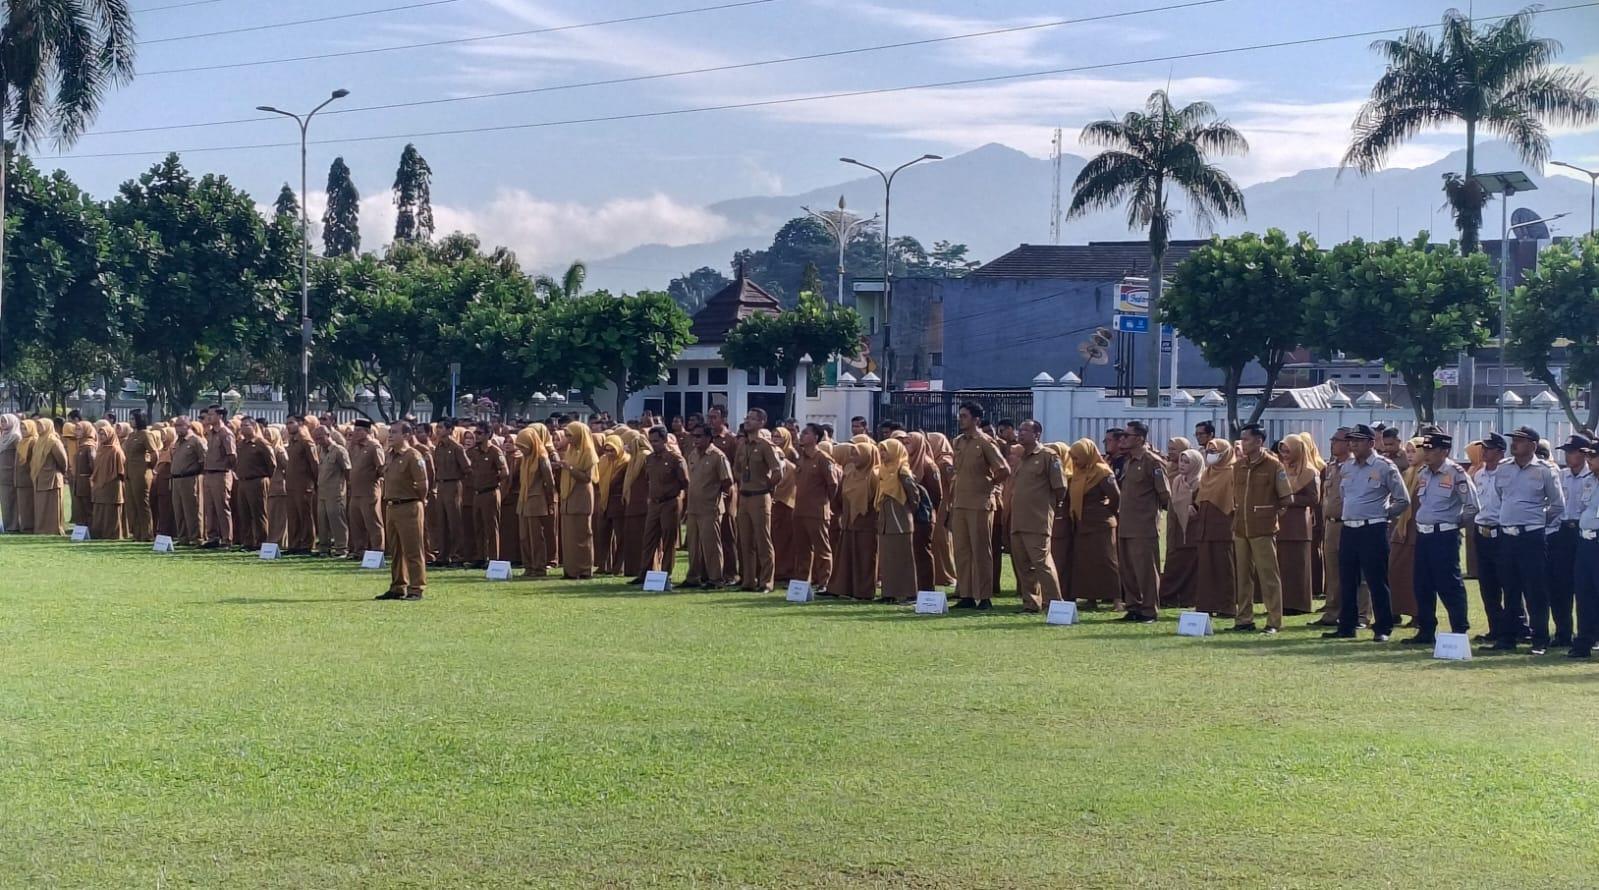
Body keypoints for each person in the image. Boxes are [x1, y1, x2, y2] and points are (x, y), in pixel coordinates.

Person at [1324, 424, 1410, 643]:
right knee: (1347, 579)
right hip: (1350, 528)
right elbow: (1345, 495)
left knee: (1375, 580)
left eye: (1358, 441)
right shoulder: (1347, 467)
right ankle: (1347, 625)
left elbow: (1403, 499)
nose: (1353, 444)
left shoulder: (1384, 466)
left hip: (1373, 528)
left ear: (1371, 443)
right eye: (1351, 440)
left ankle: (1383, 627)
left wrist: (1383, 514)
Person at [1487, 426, 1564, 654]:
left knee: (1535, 590)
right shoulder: (1503, 469)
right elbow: (1501, 497)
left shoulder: (1544, 471)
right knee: (1509, 588)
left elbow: (1557, 505)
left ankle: (1540, 639)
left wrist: (1537, 521)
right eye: (1514, 440)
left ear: (1532, 445)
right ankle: (1508, 637)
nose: (1514, 444)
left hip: (1532, 536)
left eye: (1520, 440)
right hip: (1507, 535)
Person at [1404, 431, 1478, 645]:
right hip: (1424, 534)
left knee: (1449, 584)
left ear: (1444, 451)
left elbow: (1472, 506)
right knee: (1422, 584)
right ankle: (1426, 630)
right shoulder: (1424, 473)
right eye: (1425, 449)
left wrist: (1453, 525)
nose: (1427, 454)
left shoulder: (1455, 473)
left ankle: (1459, 629)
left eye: (1432, 449)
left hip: (1444, 535)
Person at [1230, 424, 1293, 633]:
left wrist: (1269, 513)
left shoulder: (1274, 466)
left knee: (1268, 576)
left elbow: (1286, 498)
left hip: (1263, 529)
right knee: (1242, 576)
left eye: (1247, 439)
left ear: (1259, 441)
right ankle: (1244, 619)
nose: (1242, 443)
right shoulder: (1238, 466)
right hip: (1240, 528)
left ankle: (1274, 621)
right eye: (1241, 439)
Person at [948, 402, 1010, 610]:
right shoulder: (958, 442)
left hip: (980, 504)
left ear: (976, 420)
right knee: (962, 550)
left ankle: (984, 596)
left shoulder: (985, 442)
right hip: (960, 503)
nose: (960, 419)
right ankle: (965, 594)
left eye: (964, 416)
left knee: (981, 551)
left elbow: (1003, 469)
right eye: (960, 415)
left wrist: (989, 485)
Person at [1008, 420, 1067, 613]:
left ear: (1037, 434)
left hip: (1038, 519)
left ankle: (1054, 603)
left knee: (1042, 563)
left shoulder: (1048, 456)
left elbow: (1060, 488)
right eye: (1020, 429)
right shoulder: (1021, 458)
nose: (1021, 433)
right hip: (1018, 520)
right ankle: (1031, 603)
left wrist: (1051, 508)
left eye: (1026, 430)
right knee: (1023, 565)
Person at [1116, 420, 1169, 622]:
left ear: (1139, 438)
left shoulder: (1152, 462)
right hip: (1127, 523)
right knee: (1128, 569)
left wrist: (1156, 518)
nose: (1124, 439)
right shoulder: (1129, 461)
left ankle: (1149, 609)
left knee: (1146, 569)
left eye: (1127, 435)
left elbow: (1164, 493)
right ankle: (1134, 606)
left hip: (1144, 525)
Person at [375, 422, 429, 601]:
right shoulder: (389, 455)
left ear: (406, 435)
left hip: (409, 506)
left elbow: (423, 484)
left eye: (395, 432)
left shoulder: (413, 455)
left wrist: (419, 501)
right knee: (396, 550)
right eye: (390, 432)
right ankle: (398, 586)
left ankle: (417, 588)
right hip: (392, 506)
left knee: (413, 549)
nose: (390, 435)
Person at [1064, 438, 1119, 610]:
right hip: (1081, 524)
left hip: (1101, 524)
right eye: (1072, 458)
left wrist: (1105, 511)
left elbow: (1116, 496)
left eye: (1077, 457)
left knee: (1107, 561)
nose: (1074, 461)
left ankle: (1117, 599)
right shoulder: (1078, 473)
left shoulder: (1102, 472)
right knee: (1086, 563)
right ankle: (1091, 597)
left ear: (1087, 454)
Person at [734, 408, 784, 592]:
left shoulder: (765, 445)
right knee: (745, 541)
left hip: (760, 496)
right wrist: (742, 478)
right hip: (744, 497)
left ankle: (766, 582)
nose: (747, 421)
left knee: (763, 540)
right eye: (747, 417)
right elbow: (736, 469)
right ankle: (748, 580)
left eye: (752, 419)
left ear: (762, 422)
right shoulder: (743, 445)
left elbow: (778, 471)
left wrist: (767, 486)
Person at [1550, 434, 1591, 648]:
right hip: (1562, 532)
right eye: (1566, 451)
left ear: (1584, 454)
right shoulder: (1561, 475)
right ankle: (1563, 632)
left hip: (1583, 533)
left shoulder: (1592, 476)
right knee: (1559, 585)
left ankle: (1590, 633)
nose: (1567, 455)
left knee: (1586, 586)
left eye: (1572, 451)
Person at [634, 425, 687, 582]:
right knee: (649, 538)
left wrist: (679, 499)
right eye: (651, 441)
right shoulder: (649, 459)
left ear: (665, 440)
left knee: (668, 540)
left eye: (656, 441)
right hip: (654, 504)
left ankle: (666, 574)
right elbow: (648, 480)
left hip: (670, 502)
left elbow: (685, 482)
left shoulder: (675, 459)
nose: (653, 444)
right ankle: (643, 573)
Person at [1276, 435, 1321, 615]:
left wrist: (1290, 499)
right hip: (1281, 522)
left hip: (1298, 525)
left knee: (1297, 565)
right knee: (1283, 564)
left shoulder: (1310, 472)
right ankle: (1283, 603)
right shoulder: (1282, 470)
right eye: (1283, 451)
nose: (1285, 455)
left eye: (1288, 451)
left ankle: (1298, 604)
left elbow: (1314, 498)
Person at [791, 423, 838, 593]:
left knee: (822, 549)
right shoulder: (801, 458)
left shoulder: (823, 459)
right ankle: (802, 583)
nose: (802, 436)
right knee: (802, 550)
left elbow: (833, 485)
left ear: (816, 438)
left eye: (806, 433)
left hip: (817, 511)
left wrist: (829, 505)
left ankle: (825, 582)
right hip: (800, 511)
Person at [1193, 438, 1237, 618]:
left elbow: (1233, 500)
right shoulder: (1207, 473)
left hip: (1223, 525)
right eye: (1208, 452)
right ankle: (1206, 605)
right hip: (1205, 524)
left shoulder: (1232, 472)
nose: (1210, 455)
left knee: (1224, 567)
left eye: (1214, 452)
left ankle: (1226, 606)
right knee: (1205, 567)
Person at [683, 424, 732, 588]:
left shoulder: (718, 456)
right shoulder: (693, 455)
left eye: (699, 436)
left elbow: (727, 480)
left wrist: (716, 495)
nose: (695, 440)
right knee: (693, 545)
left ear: (708, 438)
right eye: (693, 436)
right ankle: (693, 577)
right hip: (694, 507)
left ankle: (716, 578)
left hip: (710, 508)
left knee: (711, 545)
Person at [875, 437, 920, 604]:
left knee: (904, 557)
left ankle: (910, 593)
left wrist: (908, 510)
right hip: (886, 519)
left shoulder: (903, 470)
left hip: (900, 518)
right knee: (887, 558)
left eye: (886, 450)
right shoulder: (883, 470)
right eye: (881, 450)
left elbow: (913, 494)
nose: (882, 454)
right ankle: (889, 593)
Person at [832, 439, 879, 601]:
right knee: (847, 556)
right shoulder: (849, 473)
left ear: (867, 456)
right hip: (848, 522)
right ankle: (845, 588)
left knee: (865, 559)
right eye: (852, 455)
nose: (853, 458)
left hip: (867, 523)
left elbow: (877, 501)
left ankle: (864, 592)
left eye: (857, 455)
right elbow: (840, 496)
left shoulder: (874, 475)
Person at [1161, 444, 1204, 608]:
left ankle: (1188, 598)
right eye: (1181, 461)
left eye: (1186, 462)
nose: (1182, 465)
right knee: (1174, 564)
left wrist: (1195, 510)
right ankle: (1169, 597)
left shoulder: (1200, 482)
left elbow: (1200, 506)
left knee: (1190, 566)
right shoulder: (1177, 481)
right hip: (1177, 528)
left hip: (1192, 531)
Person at [555, 420, 598, 579]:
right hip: (568, 497)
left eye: (570, 435)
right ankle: (570, 570)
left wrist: (570, 469)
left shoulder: (589, 453)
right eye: (566, 435)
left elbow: (587, 478)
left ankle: (584, 570)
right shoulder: (570, 451)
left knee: (582, 535)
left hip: (581, 497)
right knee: (568, 537)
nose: (568, 438)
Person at [516, 423, 558, 578]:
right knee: (524, 536)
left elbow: (549, 482)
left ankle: (539, 567)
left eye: (523, 446)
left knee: (535, 536)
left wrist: (549, 501)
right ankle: (528, 566)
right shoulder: (525, 459)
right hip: (524, 499)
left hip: (537, 500)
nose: (521, 449)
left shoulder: (541, 457)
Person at [903, 431, 943, 592]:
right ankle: (911, 589)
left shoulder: (928, 465)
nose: (906, 446)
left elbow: (937, 494)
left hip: (923, 516)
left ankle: (926, 589)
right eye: (904, 442)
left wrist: (929, 509)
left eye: (909, 442)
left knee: (923, 553)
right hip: (908, 516)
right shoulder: (905, 463)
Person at [1570, 443, 1599, 658]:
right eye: (1588, 456)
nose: (1589, 460)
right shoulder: (1588, 481)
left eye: (1594, 456)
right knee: (1584, 592)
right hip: (1585, 542)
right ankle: (1584, 642)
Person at [467, 421, 508, 568]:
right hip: (477, 493)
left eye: (479, 433)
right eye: (475, 433)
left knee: (491, 527)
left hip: (490, 492)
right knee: (478, 526)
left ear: (488, 435)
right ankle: (480, 557)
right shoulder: (473, 452)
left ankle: (493, 558)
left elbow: (505, 472)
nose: (476, 436)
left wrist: (492, 480)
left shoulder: (494, 451)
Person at [431, 418, 469, 566]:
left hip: (453, 485)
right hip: (441, 485)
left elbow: (467, 468)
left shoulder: (457, 448)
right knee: (441, 522)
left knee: (454, 522)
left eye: (441, 428)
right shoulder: (438, 447)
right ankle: (442, 556)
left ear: (450, 430)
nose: (438, 430)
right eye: (437, 427)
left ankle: (457, 556)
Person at [234, 417, 275, 551]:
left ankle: (261, 542)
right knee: (244, 513)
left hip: (257, 480)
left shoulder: (261, 443)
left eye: (246, 425)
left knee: (259, 513)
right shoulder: (240, 444)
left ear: (254, 427)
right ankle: (248, 542)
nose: (243, 428)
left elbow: (272, 464)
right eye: (242, 426)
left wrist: (265, 478)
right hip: (243, 481)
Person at [347, 420, 386, 557]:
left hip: (369, 491)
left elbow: (382, 469)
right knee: (356, 523)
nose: (355, 433)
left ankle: (377, 551)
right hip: (355, 492)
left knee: (373, 522)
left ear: (367, 432)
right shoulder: (354, 447)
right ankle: (359, 551)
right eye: (354, 430)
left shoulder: (374, 446)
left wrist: (372, 477)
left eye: (359, 430)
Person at [200, 407, 236, 549]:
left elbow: (232, 455)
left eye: (211, 414)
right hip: (209, 473)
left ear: (220, 416)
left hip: (221, 473)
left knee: (222, 507)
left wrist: (228, 469)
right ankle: (212, 537)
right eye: (207, 414)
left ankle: (227, 539)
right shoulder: (210, 433)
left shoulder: (225, 433)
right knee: (210, 508)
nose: (208, 417)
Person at [283, 416, 319, 555]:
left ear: (301, 424)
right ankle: (294, 544)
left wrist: (315, 482)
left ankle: (306, 544)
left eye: (291, 423)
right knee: (293, 516)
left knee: (305, 515)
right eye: (287, 423)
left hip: (304, 485)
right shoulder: (292, 441)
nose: (288, 426)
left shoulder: (306, 441)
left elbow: (314, 464)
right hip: (292, 485)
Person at [313, 424, 350, 557]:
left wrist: (345, 488)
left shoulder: (339, 451)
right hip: (322, 492)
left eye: (320, 438)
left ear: (328, 435)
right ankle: (324, 548)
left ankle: (341, 549)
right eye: (316, 439)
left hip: (335, 492)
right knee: (322, 521)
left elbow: (347, 471)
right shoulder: (321, 450)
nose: (318, 441)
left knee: (337, 521)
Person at [926, 432, 958, 587]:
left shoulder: (945, 462)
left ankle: (946, 576)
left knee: (942, 541)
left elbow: (953, 484)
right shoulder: (933, 460)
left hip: (943, 504)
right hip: (938, 504)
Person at [618, 430, 651, 579]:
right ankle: (633, 570)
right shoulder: (634, 458)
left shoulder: (644, 457)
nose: (625, 447)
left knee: (643, 537)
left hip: (643, 503)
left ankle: (644, 570)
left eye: (627, 443)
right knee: (632, 537)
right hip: (633, 503)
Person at [169, 416, 206, 547]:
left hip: (190, 478)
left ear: (188, 426)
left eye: (180, 425)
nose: (177, 428)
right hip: (176, 479)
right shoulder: (177, 442)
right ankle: (183, 537)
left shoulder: (196, 441)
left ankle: (196, 537)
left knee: (192, 509)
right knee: (178, 509)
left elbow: (203, 460)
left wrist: (196, 473)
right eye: (176, 426)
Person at [594, 434, 628, 574]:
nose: (609, 453)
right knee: (602, 535)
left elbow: (619, 483)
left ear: (619, 448)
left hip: (618, 503)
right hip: (604, 502)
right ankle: (603, 566)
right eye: (606, 450)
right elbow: (597, 480)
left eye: (612, 450)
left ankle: (619, 567)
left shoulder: (625, 462)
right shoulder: (602, 461)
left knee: (620, 537)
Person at [771, 427, 799, 585]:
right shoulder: (770, 453)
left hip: (787, 500)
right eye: (774, 436)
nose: (775, 439)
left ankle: (786, 570)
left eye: (779, 437)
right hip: (774, 500)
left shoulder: (792, 455)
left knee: (786, 539)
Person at [89, 422, 126, 540]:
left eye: (103, 435)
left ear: (110, 435)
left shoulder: (116, 450)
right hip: (99, 485)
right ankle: (98, 533)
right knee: (99, 510)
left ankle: (112, 534)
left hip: (112, 485)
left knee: (111, 511)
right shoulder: (100, 449)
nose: (100, 437)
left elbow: (122, 470)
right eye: (99, 434)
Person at [32, 417, 67, 535]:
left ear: (47, 426)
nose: (38, 428)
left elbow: (63, 461)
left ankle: (54, 529)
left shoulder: (53, 441)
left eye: (41, 425)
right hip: (40, 477)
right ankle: (41, 528)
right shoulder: (39, 441)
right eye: (37, 425)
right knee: (41, 505)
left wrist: (60, 471)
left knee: (53, 505)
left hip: (52, 478)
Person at [124, 411, 155, 542]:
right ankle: (136, 533)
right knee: (132, 503)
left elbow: (154, 453)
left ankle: (147, 534)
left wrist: (149, 466)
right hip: (129, 472)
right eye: (130, 418)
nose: (131, 421)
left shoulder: (146, 434)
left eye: (133, 419)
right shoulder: (131, 435)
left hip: (141, 472)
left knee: (142, 503)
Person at [264, 426, 290, 550]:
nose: (267, 437)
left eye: (269, 435)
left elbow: (287, 467)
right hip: (270, 487)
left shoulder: (279, 451)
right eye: (265, 434)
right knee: (272, 516)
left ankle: (280, 542)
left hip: (279, 487)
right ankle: (272, 540)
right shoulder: (266, 450)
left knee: (279, 517)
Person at [71, 421, 95, 529]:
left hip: (86, 481)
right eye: (76, 429)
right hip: (79, 482)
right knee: (80, 507)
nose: (76, 432)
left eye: (79, 429)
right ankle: (82, 529)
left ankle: (91, 528)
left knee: (88, 507)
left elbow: (94, 465)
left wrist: (90, 479)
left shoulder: (89, 446)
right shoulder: (80, 445)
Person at [0, 414, 20, 532]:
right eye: (1, 421)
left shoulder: (16, 437)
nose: (2, 424)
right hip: (2, 474)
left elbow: (19, 457)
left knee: (12, 500)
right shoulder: (3, 436)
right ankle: (7, 524)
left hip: (11, 473)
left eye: (4, 421)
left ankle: (13, 525)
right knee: (5, 501)